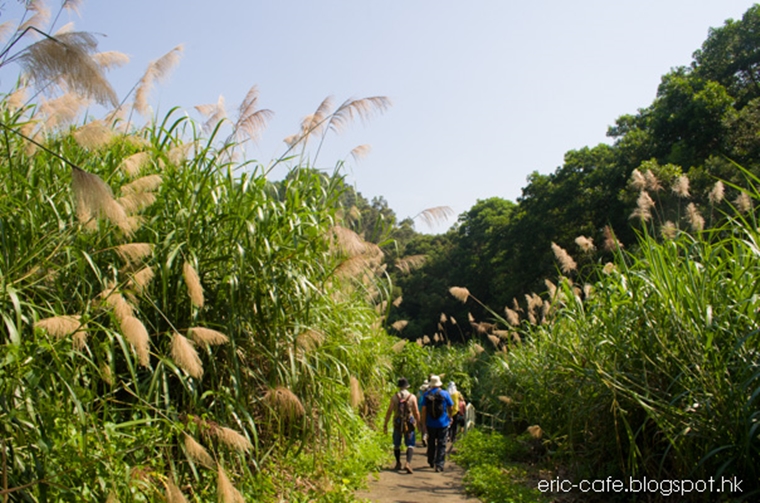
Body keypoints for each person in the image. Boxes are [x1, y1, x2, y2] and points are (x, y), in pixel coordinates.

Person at [383, 377, 421, 473]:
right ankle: (408, 463)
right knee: (410, 444)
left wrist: (385, 424)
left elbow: (389, 411)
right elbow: (416, 411)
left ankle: (398, 462)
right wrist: (419, 423)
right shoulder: (412, 397)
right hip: (409, 422)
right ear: (407, 386)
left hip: (397, 421)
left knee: (397, 443)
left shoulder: (394, 397)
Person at [420, 375, 454, 472]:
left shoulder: (426, 395)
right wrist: (450, 416)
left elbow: (424, 410)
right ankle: (439, 465)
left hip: (430, 423)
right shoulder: (445, 394)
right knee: (442, 443)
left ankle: (431, 460)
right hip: (443, 423)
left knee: (431, 442)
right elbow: (451, 406)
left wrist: (423, 423)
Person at [447, 382, 465, 446]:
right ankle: (453, 437)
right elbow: (462, 399)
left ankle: (448, 436)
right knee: (454, 425)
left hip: (447, 411)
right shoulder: (457, 393)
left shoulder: (447, 393)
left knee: (448, 424)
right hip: (455, 410)